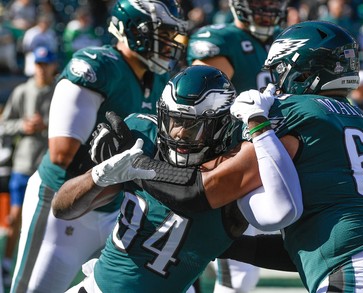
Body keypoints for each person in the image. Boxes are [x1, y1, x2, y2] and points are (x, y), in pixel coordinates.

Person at [107, 21, 363, 292]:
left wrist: (136, 164)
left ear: (300, 68)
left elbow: (204, 189)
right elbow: (298, 248)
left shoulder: (291, 110)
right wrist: (221, 243)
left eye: (279, 71)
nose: (276, 83)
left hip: (360, 272)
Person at [51, 65, 301, 292]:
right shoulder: (142, 137)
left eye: (192, 125)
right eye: (173, 121)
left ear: (221, 126)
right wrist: (98, 176)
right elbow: (63, 208)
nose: (180, 133)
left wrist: (219, 246)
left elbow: (194, 192)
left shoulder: (235, 165)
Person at [9, 1, 187, 292]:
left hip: (118, 210)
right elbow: (62, 154)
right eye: (164, 33)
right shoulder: (97, 66)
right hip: (65, 205)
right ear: (133, 30)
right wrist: (119, 152)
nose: (171, 44)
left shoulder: (160, 79)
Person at [186, 1, 289, 291]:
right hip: (229, 163)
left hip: (265, 160)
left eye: (273, 3)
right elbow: (198, 103)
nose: (268, 9)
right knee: (234, 274)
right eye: (260, 2)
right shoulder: (222, 40)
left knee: (243, 271)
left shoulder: (287, 40)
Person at [0, 46, 58, 289]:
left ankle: (40, 268)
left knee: (51, 222)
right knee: (14, 218)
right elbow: (4, 126)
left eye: (46, 64)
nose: (42, 69)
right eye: (39, 64)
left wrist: (46, 126)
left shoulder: (59, 92)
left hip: (50, 166)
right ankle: (6, 262)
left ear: (54, 66)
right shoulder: (22, 91)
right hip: (23, 165)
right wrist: (24, 126)